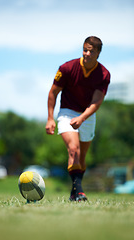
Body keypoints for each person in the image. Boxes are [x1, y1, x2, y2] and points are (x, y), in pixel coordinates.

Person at [45, 36, 110, 201]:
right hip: (67, 112)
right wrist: (50, 118)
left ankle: (73, 194)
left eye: (91, 51)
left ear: (98, 53)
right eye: (85, 49)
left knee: (81, 158)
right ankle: (80, 192)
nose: (87, 53)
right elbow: (53, 92)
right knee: (73, 150)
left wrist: (82, 118)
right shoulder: (67, 68)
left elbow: (96, 102)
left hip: (87, 115)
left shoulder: (103, 74)